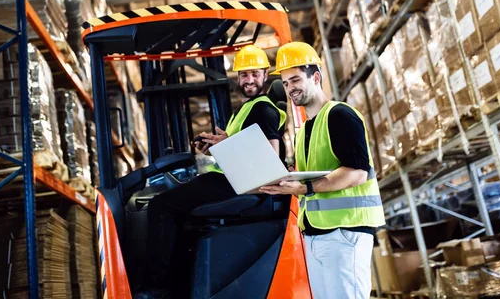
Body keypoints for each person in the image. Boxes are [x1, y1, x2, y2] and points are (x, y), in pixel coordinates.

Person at [135, 45, 286, 299]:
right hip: (231, 177)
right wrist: (215, 146)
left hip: (237, 183)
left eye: (255, 74)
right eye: (244, 74)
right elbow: (244, 149)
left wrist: (225, 145)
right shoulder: (246, 109)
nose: (249, 80)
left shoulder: (264, 109)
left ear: (265, 74)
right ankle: (179, 284)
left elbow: (268, 160)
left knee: (161, 206)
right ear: (238, 77)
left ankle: (157, 287)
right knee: (180, 215)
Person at [260, 42, 385, 299]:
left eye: (295, 79)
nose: (290, 88)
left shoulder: (340, 115)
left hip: (345, 233)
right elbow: (311, 178)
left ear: (315, 77)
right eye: (285, 83)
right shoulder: (304, 130)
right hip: (316, 235)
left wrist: (305, 187)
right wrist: (285, 184)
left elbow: (357, 172)